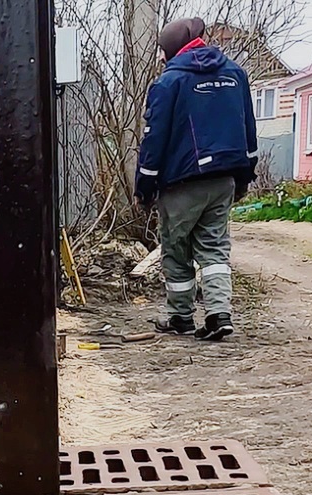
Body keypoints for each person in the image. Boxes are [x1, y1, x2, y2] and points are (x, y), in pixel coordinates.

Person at [136, 17, 258, 342]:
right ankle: (219, 314)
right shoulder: (235, 74)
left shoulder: (169, 83)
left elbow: (154, 138)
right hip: (224, 180)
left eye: (162, 52)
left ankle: (181, 318)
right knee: (215, 249)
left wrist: (144, 186)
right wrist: (246, 175)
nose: (161, 58)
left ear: (171, 50)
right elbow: (248, 128)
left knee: (176, 250)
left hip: (182, 183)